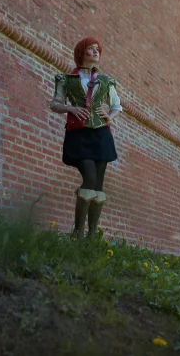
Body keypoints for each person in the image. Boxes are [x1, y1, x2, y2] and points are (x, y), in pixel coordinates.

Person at [50, 37, 123, 240]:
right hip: (79, 133)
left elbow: (117, 105)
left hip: (101, 134)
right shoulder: (66, 79)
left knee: (98, 183)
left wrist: (109, 115)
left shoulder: (106, 81)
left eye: (97, 49)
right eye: (91, 49)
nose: (95, 52)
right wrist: (71, 108)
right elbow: (55, 104)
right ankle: (78, 232)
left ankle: (91, 236)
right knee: (89, 177)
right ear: (81, 52)